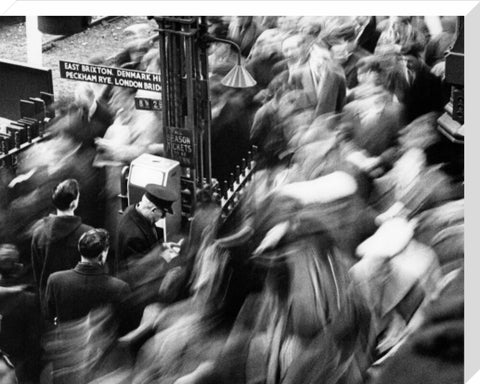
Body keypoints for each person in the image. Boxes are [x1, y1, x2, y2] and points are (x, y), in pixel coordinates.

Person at [44, 228, 130, 325]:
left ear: (79, 248)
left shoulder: (55, 280)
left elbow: (48, 318)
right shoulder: (119, 288)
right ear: (103, 253)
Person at [31, 178, 92, 306]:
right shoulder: (87, 234)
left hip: (49, 301)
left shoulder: (38, 233)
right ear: (73, 204)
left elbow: (37, 273)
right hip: (77, 301)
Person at [115, 183, 179, 280]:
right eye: (163, 214)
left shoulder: (133, 210)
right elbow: (141, 271)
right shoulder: (134, 236)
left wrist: (162, 247)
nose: (163, 217)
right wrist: (165, 257)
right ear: (154, 210)